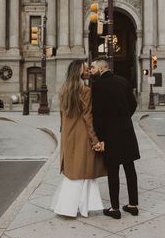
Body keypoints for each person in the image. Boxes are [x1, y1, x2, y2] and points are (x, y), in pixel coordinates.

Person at [51, 59, 106, 218]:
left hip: (68, 134)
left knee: (74, 171)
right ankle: (72, 207)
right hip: (82, 135)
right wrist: (94, 139)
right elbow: (88, 117)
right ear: (79, 72)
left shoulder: (64, 89)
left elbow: (62, 116)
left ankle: (73, 206)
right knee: (82, 171)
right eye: (86, 69)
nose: (88, 70)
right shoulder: (86, 91)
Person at [90, 57, 140, 219]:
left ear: (102, 68)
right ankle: (133, 205)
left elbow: (97, 115)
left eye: (93, 67)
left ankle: (115, 208)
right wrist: (124, 118)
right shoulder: (124, 81)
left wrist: (100, 138)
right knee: (130, 168)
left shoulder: (97, 86)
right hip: (126, 130)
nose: (90, 70)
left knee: (113, 170)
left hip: (109, 134)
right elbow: (133, 105)